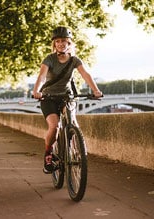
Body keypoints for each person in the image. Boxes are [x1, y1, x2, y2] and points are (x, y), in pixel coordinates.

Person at [32, 26, 103, 174]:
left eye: (64, 41)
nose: (61, 44)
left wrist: (95, 90)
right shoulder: (49, 59)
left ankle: (73, 147)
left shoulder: (74, 60)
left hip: (66, 96)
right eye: (57, 41)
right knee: (55, 126)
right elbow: (42, 76)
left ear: (69, 43)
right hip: (49, 97)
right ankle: (48, 154)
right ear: (54, 44)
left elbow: (85, 74)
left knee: (73, 123)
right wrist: (36, 90)